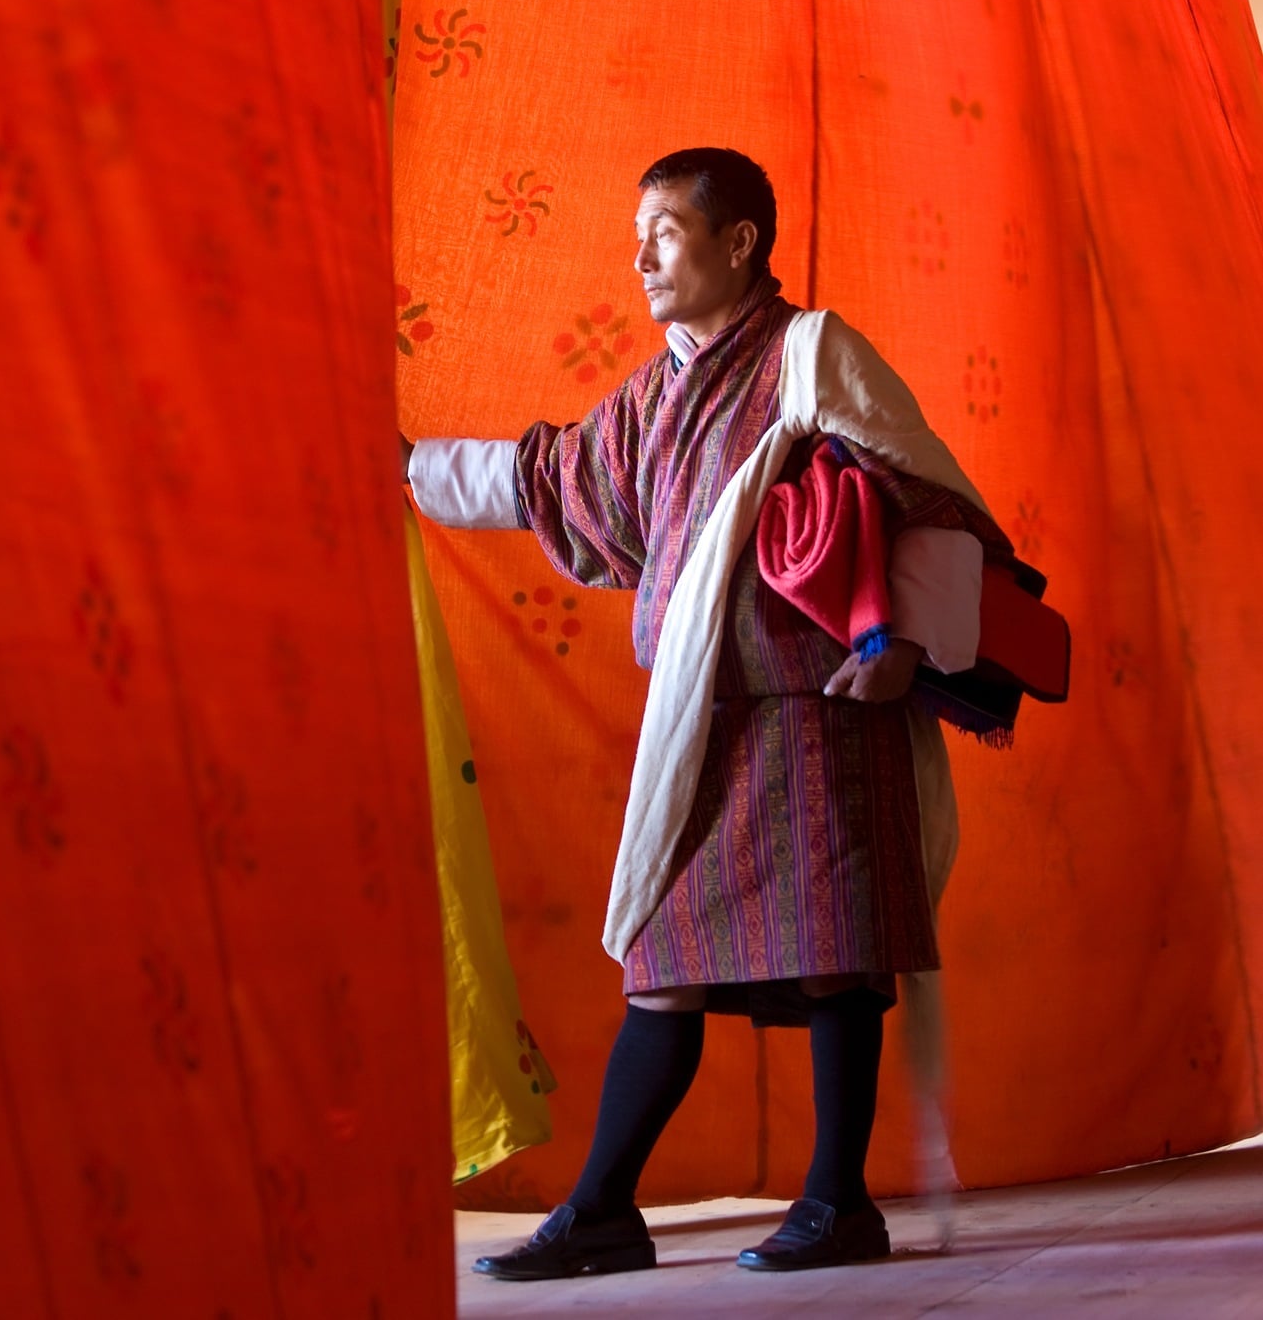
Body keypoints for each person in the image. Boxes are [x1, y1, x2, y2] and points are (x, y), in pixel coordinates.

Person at [402, 148, 1011, 1278]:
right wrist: (405, 467)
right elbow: (553, 477)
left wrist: (906, 651)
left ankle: (838, 1202)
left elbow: (934, 497)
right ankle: (603, 1212)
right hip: (709, 724)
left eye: (667, 232)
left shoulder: (811, 350)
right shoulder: (656, 393)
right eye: (637, 234)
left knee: (838, 957)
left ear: (740, 243)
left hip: (826, 708)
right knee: (665, 961)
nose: (641, 257)